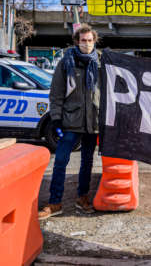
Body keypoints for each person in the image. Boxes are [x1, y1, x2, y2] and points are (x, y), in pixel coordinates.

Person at [38, 24, 101, 220]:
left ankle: (82, 198)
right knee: (61, 162)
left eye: (90, 40)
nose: (87, 44)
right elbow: (56, 94)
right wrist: (56, 118)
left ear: (95, 41)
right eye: (83, 40)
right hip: (70, 121)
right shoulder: (66, 63)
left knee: (87, 162)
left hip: (93, 122)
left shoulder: (100, 64)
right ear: (76, 41)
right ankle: (55, 202)